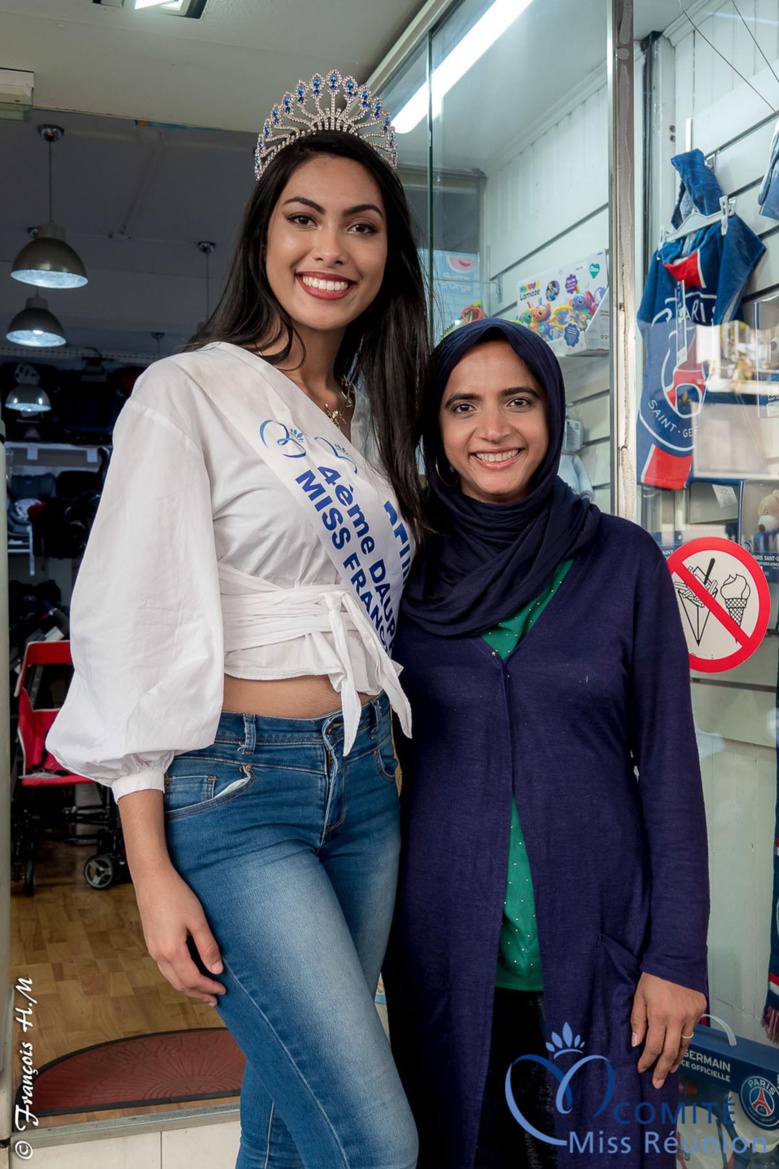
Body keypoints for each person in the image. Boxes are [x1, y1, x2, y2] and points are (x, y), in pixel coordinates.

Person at [47, 71, 426, 1169]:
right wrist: (149, 862)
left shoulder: (372, 421)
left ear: (385, 255)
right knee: (373, 1138)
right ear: (264, 234)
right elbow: (130, 619)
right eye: (304, 218)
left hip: (363, 790)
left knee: (284, 1105)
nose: (332, 248)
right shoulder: (188, 391)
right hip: (235, 789)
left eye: (362, 227)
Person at [383, 318, 709, 1169]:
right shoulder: (404, 570)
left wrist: (676, 956)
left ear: (551, 413)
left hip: (606, 957)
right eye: (463, 407)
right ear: (435, 429)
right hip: (447, 957)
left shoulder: (621, 560)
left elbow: (671, 772)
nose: (492, 428)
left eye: (516, 400)